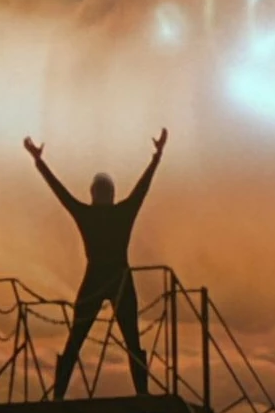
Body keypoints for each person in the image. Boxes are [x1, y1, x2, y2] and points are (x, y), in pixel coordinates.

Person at [23, 128, 168, 399]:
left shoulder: (87, 214)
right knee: (129, 339)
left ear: (93, 194)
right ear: (111, 194)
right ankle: (142, 393)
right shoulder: (122, 212)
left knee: (77, 338)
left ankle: (58, 396)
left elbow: (60, 192)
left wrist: (39, 161)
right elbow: (143, 187)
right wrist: (157, 156)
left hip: (98, 277)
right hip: (119, 277)